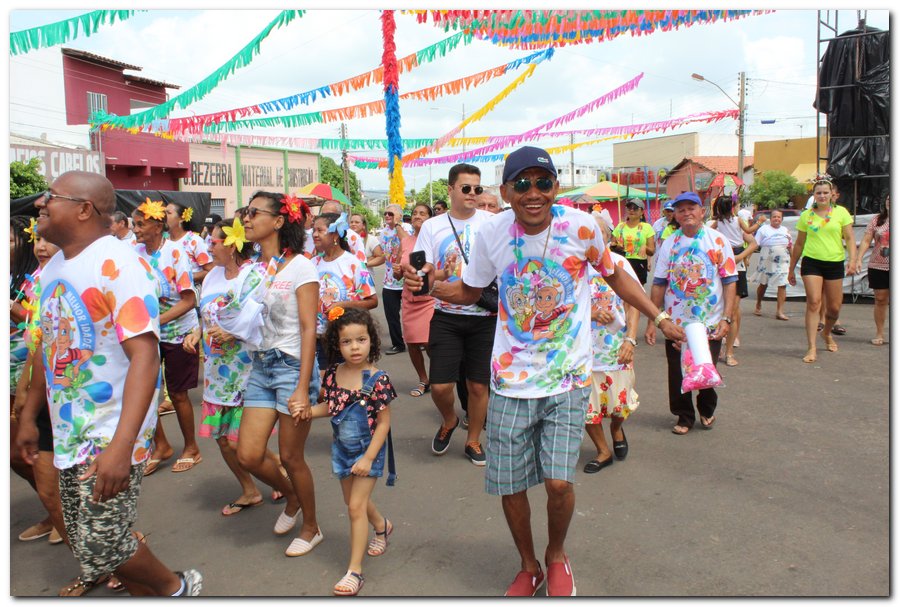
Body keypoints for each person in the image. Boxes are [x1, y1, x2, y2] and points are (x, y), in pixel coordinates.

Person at [410, 146, 683, 596]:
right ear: (505, 192)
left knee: (558, 482)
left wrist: (659, 317)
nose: (532, 192)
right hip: (512, 381)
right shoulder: (492, 234)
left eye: (542, 183)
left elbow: (615, 275)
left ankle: (556, 556)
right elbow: (468, 291)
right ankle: (528, 565)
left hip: (567, 377)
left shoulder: (581, 226)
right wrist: (430, 285)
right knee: (510, 484)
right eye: (522, 184)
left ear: (556, 187)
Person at [16, 170, 202, 595]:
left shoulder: (120, 264)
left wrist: (122, 447)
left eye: (52, 196)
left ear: (84, 210)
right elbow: (50, 347)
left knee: (101, 547)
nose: (41, 204)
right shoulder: (55, 267)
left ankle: (178, 588)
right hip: (69, 431)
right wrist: (29, 415)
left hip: (110, 433)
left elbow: (145, 357)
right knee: (87, 541)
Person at [239, 191, 323, 557]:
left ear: (277, 221)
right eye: (245, 211)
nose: (245, 217)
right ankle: (292, 497)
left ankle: (312, 526)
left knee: (291, 457)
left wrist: (303, 387)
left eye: (253, 212)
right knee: (249, 455)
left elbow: (308, 329)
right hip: (260, 365)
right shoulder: (254, 269)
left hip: (291, 366)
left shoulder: (301, 266)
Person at [182, 217, 284, 516]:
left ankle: (277, 470)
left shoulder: (255, 275)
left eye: (213, 241)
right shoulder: (212, 277)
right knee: (223, 440)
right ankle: (249, 490)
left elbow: (267, 319)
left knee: (245, 441)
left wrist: (234, 333)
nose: (208, 247)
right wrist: (196, 332)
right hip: (216, 373)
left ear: (232, 243)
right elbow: (207, 316)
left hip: (246, 371)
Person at [302, 308, 396, 596]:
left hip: (370, 451)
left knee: (355, 507)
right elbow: (332, 408)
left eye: (361, 340)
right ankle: (381, 525)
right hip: (341, 449)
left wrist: (369, 458)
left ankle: (355, 572)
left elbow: (384, 424)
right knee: (352, 500)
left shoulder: (377, 379)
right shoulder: (332, 374)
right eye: (347, 342)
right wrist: (308, 412)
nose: (355, 347)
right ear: (336, 344)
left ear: (372, 341)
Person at [409, 163, 494, 466]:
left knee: (478, 385)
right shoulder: (433, 226)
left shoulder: (490, 221)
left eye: (477, 188)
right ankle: (449, 420)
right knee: (442, 385)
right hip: (446, 314)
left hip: (484, 316)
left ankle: (473, 440)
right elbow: (421, 269)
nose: (473, 194)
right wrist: (427, 278)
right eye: (466, 188)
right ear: (451, 189)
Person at [646, 191, 736, 435]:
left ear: (702, 211)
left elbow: (729, 281)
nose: (686, 213)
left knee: (705, 365)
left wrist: (727, 318)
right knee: (677, 370)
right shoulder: (669, 244)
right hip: (676, 322)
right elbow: (659, 283)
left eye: (691, 208)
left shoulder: (718, 241)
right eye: (681, 209)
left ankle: (707, 409)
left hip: (710, 320)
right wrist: (654, 319)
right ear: (675, 214)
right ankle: (684, 416)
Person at [131, 199, 202, 475]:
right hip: (146, 333)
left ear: (158, 226)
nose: (135, 230)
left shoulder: (175, 253)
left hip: (177, 331)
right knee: (145, 391)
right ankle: (160, 446)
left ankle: (191, 447)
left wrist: (156, 321)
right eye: (134, 224)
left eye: (140, 224)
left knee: (178, 393)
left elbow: (188, 300)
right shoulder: (132, 252)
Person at [10, 221, 65, 547]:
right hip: (26, 376)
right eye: (38, 240)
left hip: (52, 382)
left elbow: (41, 340)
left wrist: (27, 388)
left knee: (33, 451)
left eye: (49, 240)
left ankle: (63, 515)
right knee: (21, 455)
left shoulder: (61, 279)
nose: (40, 246)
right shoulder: (31, 281)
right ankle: (54, 511)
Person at [583, 231, 642, 474]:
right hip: (582, 352)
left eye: (597, 232)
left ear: (607, 236)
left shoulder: (619, 263)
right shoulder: (572, 265)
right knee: (587, 409)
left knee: (620, 405)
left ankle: (617, 429)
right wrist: (591, 314)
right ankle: (602, 450)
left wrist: (630, 339)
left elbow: (634, 303)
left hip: (616, 349)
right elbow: (560, 308)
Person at [788, 179, 858, 363]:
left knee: (834, 308)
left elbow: (850, 238)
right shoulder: (806, 216)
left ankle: (826, 333)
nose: (822, 196)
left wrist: (853, 260)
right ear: (814, 195)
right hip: (812, 262)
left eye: (826, 192)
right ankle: (811, 347)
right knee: (814, 302)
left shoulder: (841, 212)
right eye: (818, 193)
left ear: (832, 194)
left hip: (835, 262)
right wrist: (791, 268)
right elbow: (799, 243)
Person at [311, 212, 378, 373]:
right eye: (314, 230)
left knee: (346, 388)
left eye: (320, 230)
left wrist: (344, 305)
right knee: (321, 390)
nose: (314, 234)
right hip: (317, 340)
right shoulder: (312, 263)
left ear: (335, 235)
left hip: (346, 339)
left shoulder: (353, 264)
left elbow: (372, 301)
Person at [707, 195, 761, 366]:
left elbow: (753, 242)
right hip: (720, 265)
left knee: (732, 311)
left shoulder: (735, 222)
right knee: (719, 309)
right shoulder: (718, 224)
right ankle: (719, 348)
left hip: (736, 267)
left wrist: (739, 257)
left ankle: (729, 351)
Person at [394, 203, 435, 397]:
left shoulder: (435, 240)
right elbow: (398, 274)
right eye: (415, 213)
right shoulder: (405, 242)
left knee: (429, 342)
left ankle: (438, 377)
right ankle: (423, 379)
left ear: (430, 218)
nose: (418, 216)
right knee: (411, 342)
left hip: (429, 299)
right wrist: (397, 272)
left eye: (423, 213)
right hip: (409, 298)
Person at [853, 194, 890, 346]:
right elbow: (867, 240)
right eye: (889, 199)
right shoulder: (877, 219)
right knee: (880, 299)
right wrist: (859, 258)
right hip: (878, 265)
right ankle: (880, 333)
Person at [752, 209, 793, 321]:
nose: (776, 219)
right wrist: (747, 257)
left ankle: (780, 311)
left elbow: (790, 246)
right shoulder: (764, 229)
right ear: (770, 219)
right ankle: (758, 304)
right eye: (774, 217)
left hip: (783, 261)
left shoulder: (785, 230)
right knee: (763, 283)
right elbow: (755, 244)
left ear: (782, 219)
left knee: (782, 284)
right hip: (767, 260)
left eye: (779, 217)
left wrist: (793, 259)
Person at [379, 203, 407, 355]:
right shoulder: (383, 233)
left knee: (410, 315)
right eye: (386, 213)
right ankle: (398, 343)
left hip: (406, 280)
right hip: (389, 281)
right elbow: (383, 254)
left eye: (391, 213)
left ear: (399, 216)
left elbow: (407, 243)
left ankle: (419, 341)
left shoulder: (406, 229)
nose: (387, 216)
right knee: (392, 316)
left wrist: (398, 225)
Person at [164, 202, 214, 285]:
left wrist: (185, 277)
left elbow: (209, 270)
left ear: (181, 219)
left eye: (168, 213)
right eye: (164, 213)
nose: (164, 216)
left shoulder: (195, 241)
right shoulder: (163, 240)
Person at [611, 199, 655, 285]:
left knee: (638, 292)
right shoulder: (620, 226)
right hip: (622, 261)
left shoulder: (647, 227)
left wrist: (644, 247)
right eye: (629, 207)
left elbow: (652, 251)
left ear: (642, 211)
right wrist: (615, 246)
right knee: (622, 290)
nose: (631, 210)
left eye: (635, 208)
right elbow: (612, 245)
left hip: (639, 264)